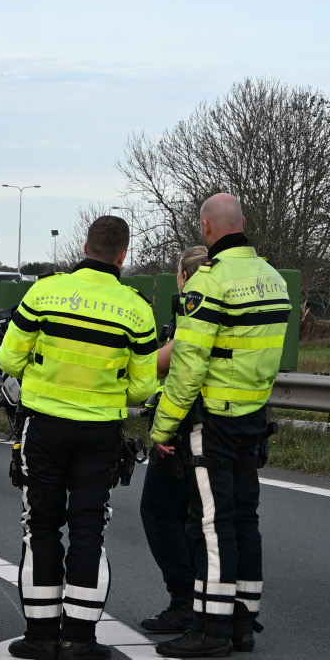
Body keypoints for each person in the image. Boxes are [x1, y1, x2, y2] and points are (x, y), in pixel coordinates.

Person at [0, 215, 160, 660]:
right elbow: (144, 388)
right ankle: (81, 639)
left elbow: (10, 358)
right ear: (123, 255)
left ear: (85, 246)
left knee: (41, 526)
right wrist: (103, 393)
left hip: (43, 428)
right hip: (100, 433)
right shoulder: (137, 309)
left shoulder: (44, 292)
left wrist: (44, 380)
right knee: (89, 529)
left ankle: (40, 636)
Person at [150, 193, 289, 658]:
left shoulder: (209, 282)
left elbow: (188, 366)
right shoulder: (273, 280)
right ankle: (243, 621)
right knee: (245, 519)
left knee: (210, 523)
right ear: (243, 223)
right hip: (254, 416)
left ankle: (210, 629)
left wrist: (163, 427)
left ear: (207, 229)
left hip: (214, 420)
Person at [135, 245, 209, 635]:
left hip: (184, 427)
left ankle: (184, 600)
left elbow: (169, 365)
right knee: (202, 518)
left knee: (160, 511)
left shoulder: (194, 310)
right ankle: (214, 600)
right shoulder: (229, 306)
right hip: (226, 424)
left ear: (183, 277)